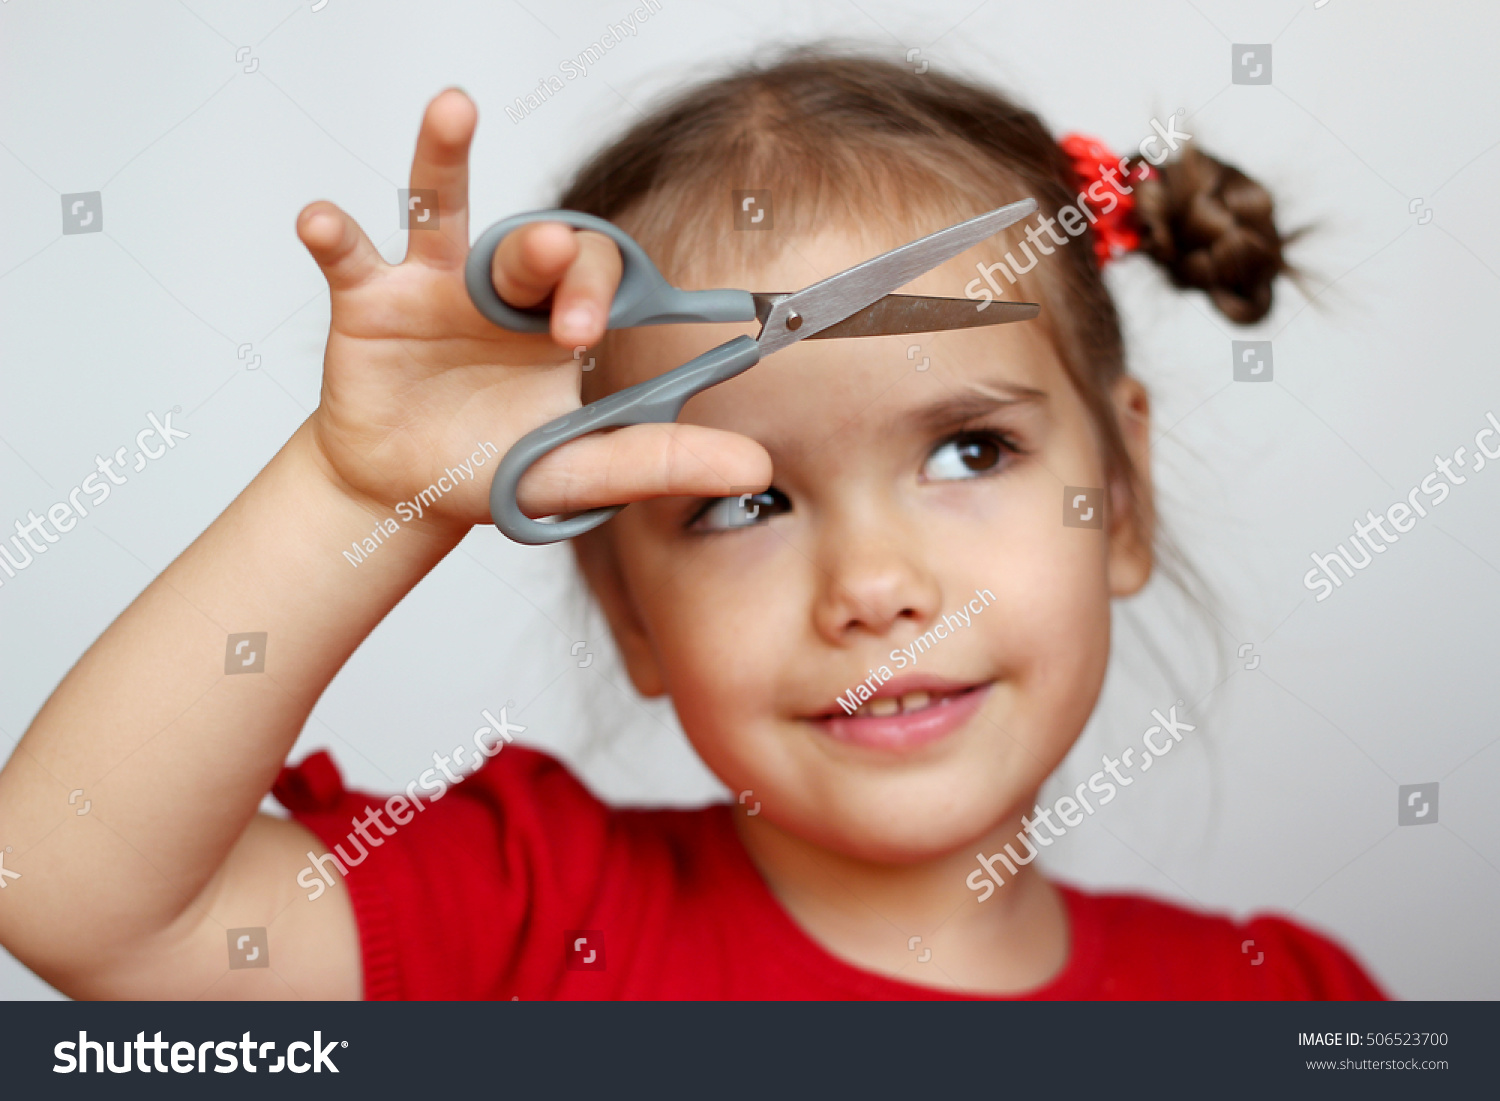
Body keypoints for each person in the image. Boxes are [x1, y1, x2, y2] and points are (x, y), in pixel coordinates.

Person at [0, 50, 1383, 999]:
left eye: (971, 448)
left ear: (1119, 499)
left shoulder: (1289, 1001)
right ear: (624, 603)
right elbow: (65, 892)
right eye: (742, 500)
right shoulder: (530, 915)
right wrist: (358, 490)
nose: (879, 586)